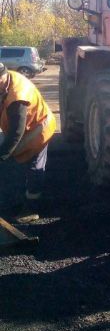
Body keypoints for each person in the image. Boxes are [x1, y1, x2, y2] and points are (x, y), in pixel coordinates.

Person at [0, 63, 56, 221]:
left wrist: (3, 155)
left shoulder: (18, 96)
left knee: (34, 166)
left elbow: (16, 134)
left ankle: (32, 208)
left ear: (3, 77)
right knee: (14, 157)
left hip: (39, 128)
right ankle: (19, 196)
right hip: (21, 128)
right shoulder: (6, 79)